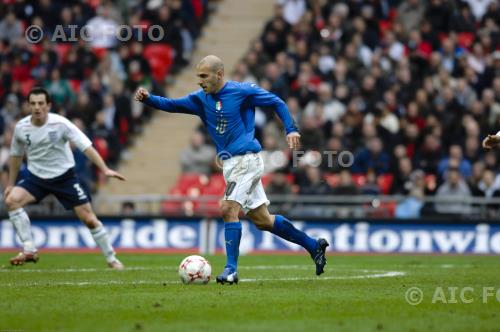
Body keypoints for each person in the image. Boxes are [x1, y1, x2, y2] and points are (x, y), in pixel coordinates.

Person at [135, 55, 328, 284]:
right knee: (263, 220)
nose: (200, 81)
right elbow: (173, 105)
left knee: (227, 208)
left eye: (204, 76)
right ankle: (313, 245)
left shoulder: (242, 91)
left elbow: (276, 101)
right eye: (198, 76)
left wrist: (291, 129)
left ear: (219, 74)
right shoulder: (200, 99)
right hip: (230, 165)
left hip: (246, 160)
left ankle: (231, 270)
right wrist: (149, 99)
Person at [5, 87, 126, 269]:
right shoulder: (21, 128)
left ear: (49, 105)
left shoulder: (61, 124)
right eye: (33, 104)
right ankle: (29, 249)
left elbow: (86, 147)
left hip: (64, 178)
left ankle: (111, 258)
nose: (37, 107)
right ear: (28, 106)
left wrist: (104, 169)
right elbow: (15, 156)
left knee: (90, 220)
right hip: (36, 178)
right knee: (11, 200)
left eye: (41, 103)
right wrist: (10, 184)